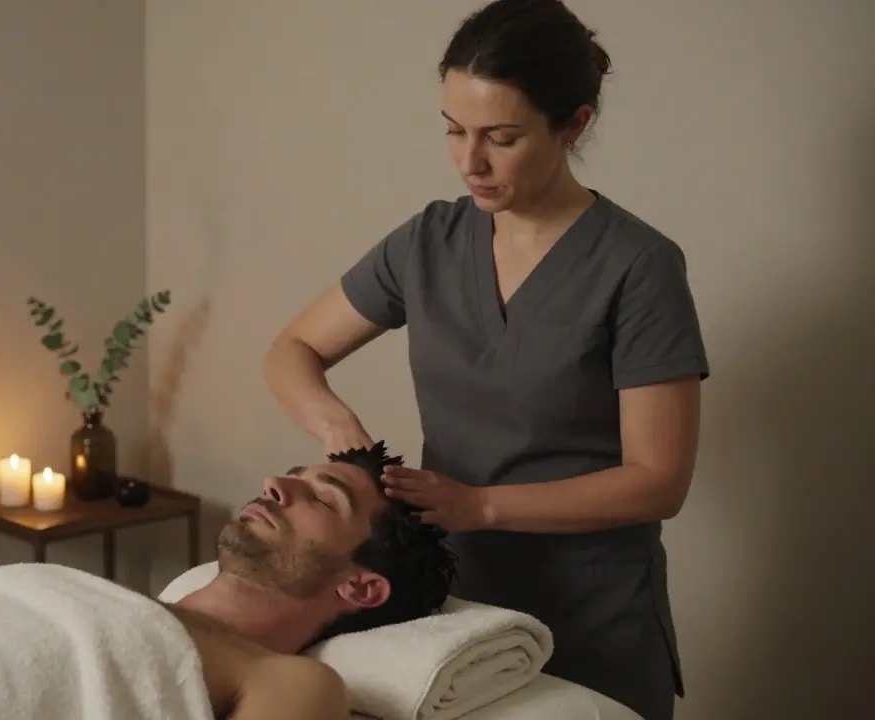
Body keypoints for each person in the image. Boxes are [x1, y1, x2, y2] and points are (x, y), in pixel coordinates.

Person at [260, 1, 708, 719]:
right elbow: (292, 349)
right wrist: (336, 426)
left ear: (575, 125)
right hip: (456, 610)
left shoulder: (638, 266)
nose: (472, 161)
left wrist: (481, 505)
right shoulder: (428, 242)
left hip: (594, 615)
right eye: (454, 132)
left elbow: (659, 483)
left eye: (502, 137)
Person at [168, 441, 455, 719]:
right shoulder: (138, 605)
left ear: (362, 588)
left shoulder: (292, 686)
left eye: (324, 499)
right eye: (293, 476)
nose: (272, 484)